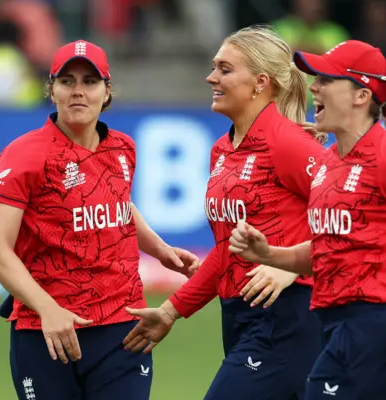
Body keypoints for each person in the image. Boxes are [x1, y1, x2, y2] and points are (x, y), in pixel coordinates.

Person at [228, 40, 386, 399]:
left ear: (361, 95)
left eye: (326, 79)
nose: (313, 87)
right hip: (333, 325)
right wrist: (269, 254)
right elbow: (328, 250)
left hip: (372, 327)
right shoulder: (326, 163)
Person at [0, 39, 199, 400]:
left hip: (122, 325)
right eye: (67, 81)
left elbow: (118, 205)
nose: (78, 92)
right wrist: (47, 309)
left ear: (107, 91)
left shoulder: (122, 148)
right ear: (50, 90)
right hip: (48, 331)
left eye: (90, 81)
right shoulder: (24, 154)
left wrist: (160, 249)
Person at [122, 26, 327, 400]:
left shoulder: (289, 145)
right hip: (238, 317)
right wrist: (171, 311)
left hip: (286, 317)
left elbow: (356, 221)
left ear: (260, 83)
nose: (211, 77)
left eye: (225, 69)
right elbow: (225, 251)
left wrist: (292, 264)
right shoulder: (222, 150)